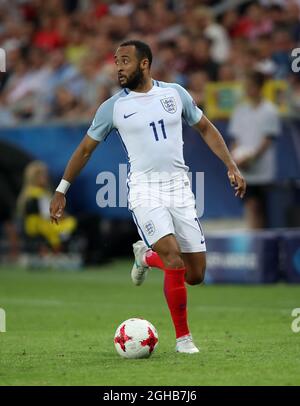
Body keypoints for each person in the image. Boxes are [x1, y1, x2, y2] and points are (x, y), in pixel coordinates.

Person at [50, 40, 246, 354]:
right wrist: (62, 190)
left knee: (195, 275)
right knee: (173, 257)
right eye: (116, 62)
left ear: (144, 63)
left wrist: (231, 165)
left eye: (125, 60)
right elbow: (86, 149)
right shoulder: (113, 107)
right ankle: (184, 340)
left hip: (180, 189)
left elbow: (207, 128)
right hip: (144, 191)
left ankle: (144, 256)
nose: (118, 67)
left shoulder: (175, 94)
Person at [229, 71, 280, 229]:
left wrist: (251, 159)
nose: (247, 90)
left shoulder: (269, 110)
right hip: (245, 172)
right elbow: (235, 140)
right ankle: (255, 242)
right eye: (246, 87)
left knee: (263, 212)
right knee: (251, 207)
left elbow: (267, 140)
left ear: (259, 87)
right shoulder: (240, 110)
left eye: (250, 86)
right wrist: (236, 160)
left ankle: (262, 245)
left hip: (264, 173)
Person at [18, 161, 77, 253]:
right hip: (44, 228)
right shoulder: (38, 194)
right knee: (72, 223)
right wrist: (64, 216)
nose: (46, 177)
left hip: (35, 228)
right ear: (34, 178)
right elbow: (48, 214)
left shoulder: (26, 194)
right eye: (43, 175)